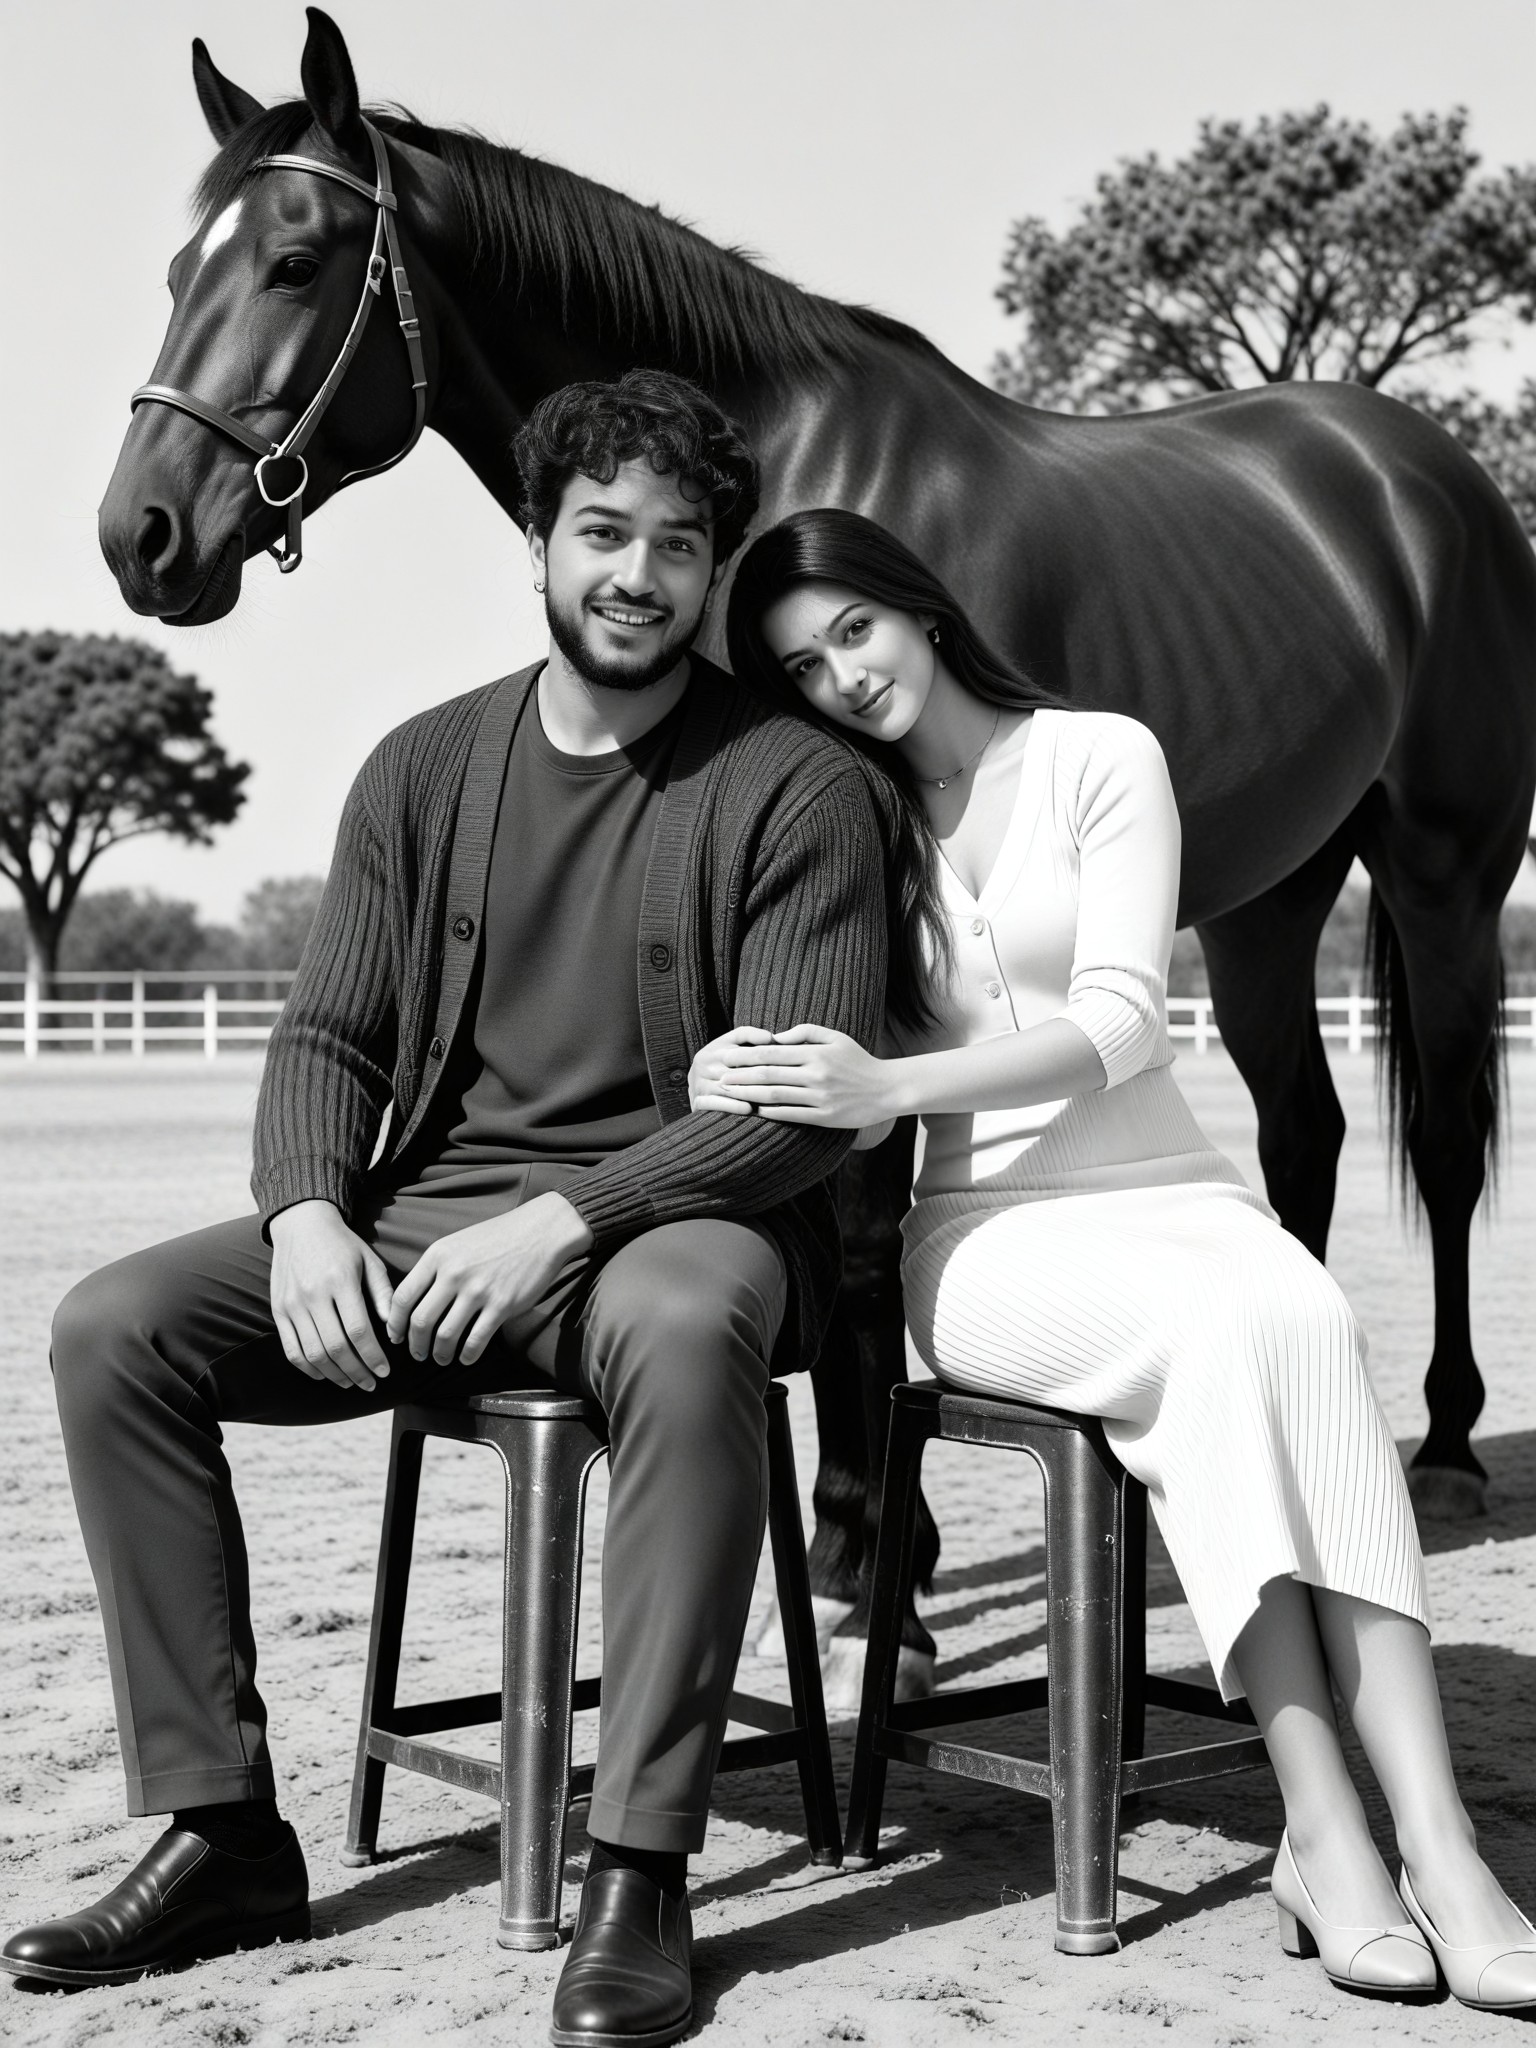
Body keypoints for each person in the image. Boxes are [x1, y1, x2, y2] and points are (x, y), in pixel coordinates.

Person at [2, 378, 888, 2048]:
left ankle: (638, 1866)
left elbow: (777, 1120)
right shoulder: (421, 769)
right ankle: (223, 1832)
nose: (638, 575)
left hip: (678, 1222)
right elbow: (330, 1033)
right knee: (112, 1329)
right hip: (423, 1223)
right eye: (604, 534)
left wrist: (568, 1218)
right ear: (540, 544)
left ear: (714, 575)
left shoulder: (798, 785)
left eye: (679, 547)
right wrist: (308, 1217)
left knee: (692, 1332)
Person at [696, 505, 1536, 2014]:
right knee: (1224, 1337)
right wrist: (730, 1066)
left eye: (853, 634)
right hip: (986, 1239)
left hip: (1169, 1189)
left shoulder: (1099, 755)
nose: (840, 681)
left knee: (1295, 1302)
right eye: (801, 670)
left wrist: (887, 1085)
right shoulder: (851, 816)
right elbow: (774, 997)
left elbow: (1127, 1022)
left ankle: (1441, 1841)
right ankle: (1327, 1828)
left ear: (919, 609)